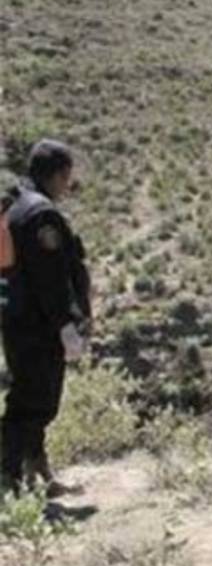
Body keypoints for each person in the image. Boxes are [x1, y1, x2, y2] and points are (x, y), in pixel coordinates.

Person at [1, 140, 91, 496]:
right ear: (59, 174)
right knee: (32, 404)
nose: (68, 185)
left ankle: (37, 472)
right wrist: (66, 326)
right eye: (68, 177)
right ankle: (8, 480)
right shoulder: (42, 215)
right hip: (38, 327)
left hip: (18, 321)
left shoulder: (16, 206)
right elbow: (51, 281)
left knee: (34, 398)